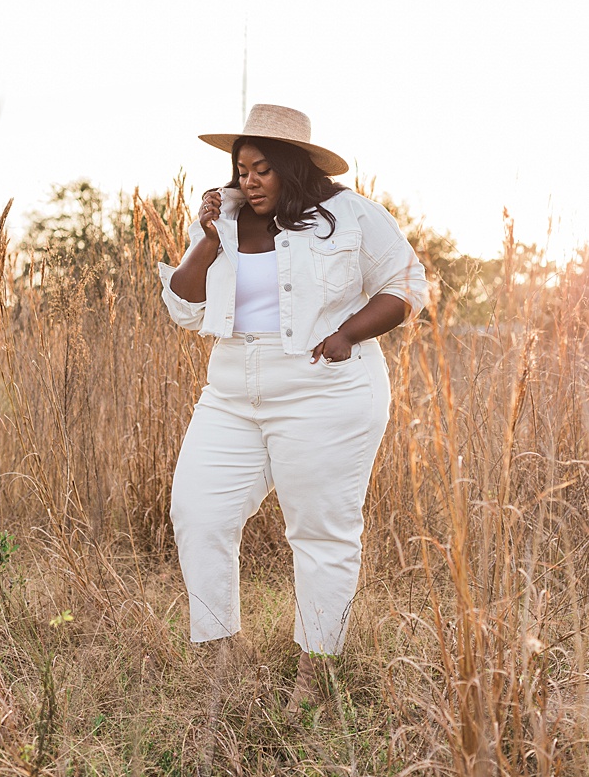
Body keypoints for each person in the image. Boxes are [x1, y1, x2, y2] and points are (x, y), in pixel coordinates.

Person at [158, 104, 428, 712]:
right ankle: (222, 663)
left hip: (324, 390)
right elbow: (182, 306)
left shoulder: (350, 215)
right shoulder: (222, 220)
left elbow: (407, 284)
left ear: (291, 167)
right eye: (240, 169)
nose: (248, 180)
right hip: (230, 393)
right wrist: (207, 240)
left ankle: (314, 676)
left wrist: (348, 335)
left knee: (320, 532)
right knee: (198, 515)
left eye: (261, 170)